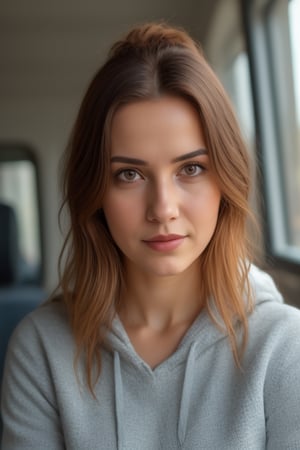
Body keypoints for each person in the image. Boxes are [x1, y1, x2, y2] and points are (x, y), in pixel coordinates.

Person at [1, 22, 300, 450]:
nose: (163, 208)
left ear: (227, 179)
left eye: (191, 169)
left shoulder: (285, 347)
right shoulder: (41, 348)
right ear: (95, 192)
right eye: (129, 174)